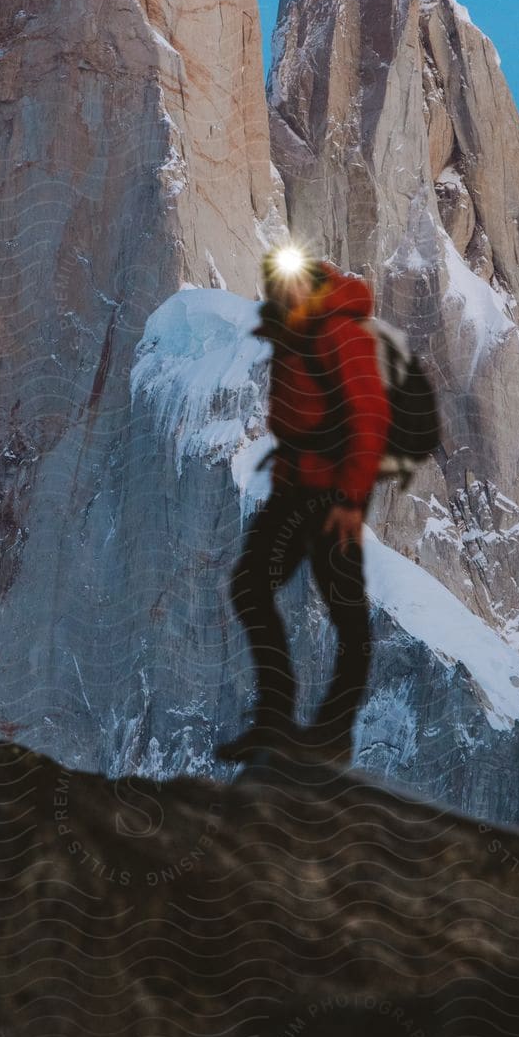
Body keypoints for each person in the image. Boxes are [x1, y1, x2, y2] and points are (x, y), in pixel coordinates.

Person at [217, 247, 391, 768]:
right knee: (251, 586)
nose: (286, 292)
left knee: (347, 618)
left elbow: (370, 415)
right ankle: (275, 722)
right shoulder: (292, 336)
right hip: (297, 492)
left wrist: (351, 500)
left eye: (294, 282)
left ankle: (332, 738)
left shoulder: (336, 331)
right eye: (278, 283)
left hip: (332, 496)